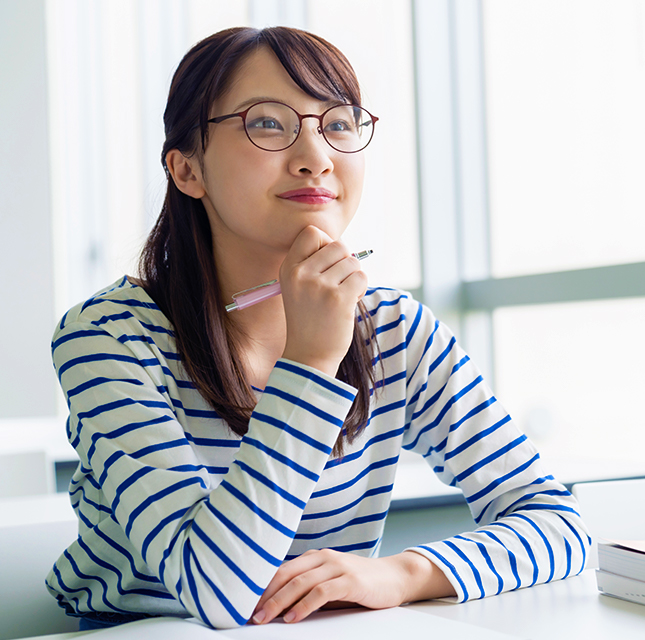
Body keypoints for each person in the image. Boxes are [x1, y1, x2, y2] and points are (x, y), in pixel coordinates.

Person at [46, 26, 589, 631]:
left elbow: (559, 524)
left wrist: (401, 574)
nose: (317, 157)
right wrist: (309, 363)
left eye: (338, 124)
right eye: (268, 124)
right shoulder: (108, 337)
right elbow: (214, 589)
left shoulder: (393, 328)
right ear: (186, 169)